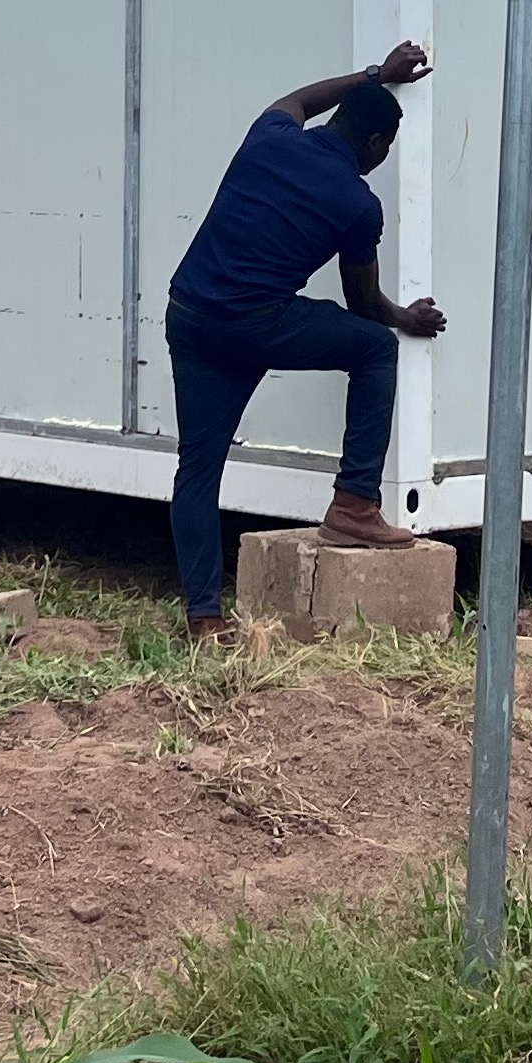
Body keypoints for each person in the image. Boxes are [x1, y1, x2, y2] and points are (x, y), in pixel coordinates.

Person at [165, 41, 448, 643]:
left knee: (199, 468)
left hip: (190, 314)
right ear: (376, 147)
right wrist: (409, 318)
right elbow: (363, 307)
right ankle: (353, 506)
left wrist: (374, 74)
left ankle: (205, 617)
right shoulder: (356, 204)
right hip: (256, 324)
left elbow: (299, 99)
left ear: (333, 119)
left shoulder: (271, 135)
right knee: (375, 348)